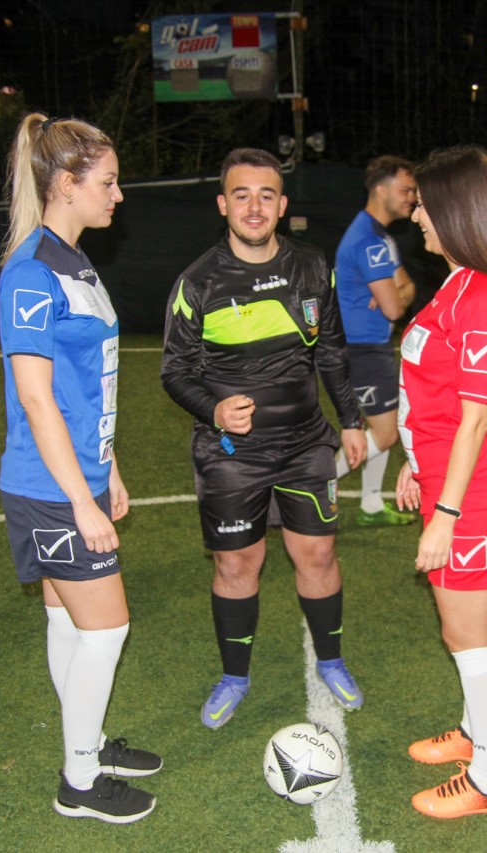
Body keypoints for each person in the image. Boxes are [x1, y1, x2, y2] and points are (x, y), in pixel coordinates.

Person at [160, 148, 368, 730]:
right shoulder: (197, 282)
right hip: (232, 455)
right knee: (236, 565)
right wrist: (216, 409)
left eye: (267, 195)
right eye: (243, 195)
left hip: (305, 444)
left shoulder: (311, 266)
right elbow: (174, 372)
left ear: (282, 206)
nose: (255, 206)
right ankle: (234, 676)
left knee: (318, 553)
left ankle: (332, 660)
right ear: (223, 204)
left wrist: (350, 420)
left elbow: (329, 349)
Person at [0, 113, 160, 824]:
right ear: (66, 184)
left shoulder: (76, 261)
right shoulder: (31, 273)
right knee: (107, 628)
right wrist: (81, 501)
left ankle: (85, 741)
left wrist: (110, 468)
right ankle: (80, 781)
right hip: (48, 485)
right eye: (108, 181)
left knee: (69, 619)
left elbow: (85, 382)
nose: (117, 195)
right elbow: (36, 399)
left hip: (78, 473)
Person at [394, 146, 487, 819]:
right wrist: (412, 465)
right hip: (451, 482)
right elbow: (439, 400)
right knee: (458, 629)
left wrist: (446, 513)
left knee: (469, 633)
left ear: (456, 209)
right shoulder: (457, 286)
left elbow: (477, 420)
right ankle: (475, 733)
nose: (415, 212)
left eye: (423, 202)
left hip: (475, 493)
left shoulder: (482, 296)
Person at [333, 155, 419, 526]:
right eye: (406, 190)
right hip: (362, 350)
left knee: (384, 428)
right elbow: (395, 308)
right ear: (380, 190)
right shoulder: (368, 240)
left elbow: (407, 289)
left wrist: (396, 293)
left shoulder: (380, 236)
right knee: (386, 434)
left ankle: (370, 503)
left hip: (373, 347)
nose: (412, 198)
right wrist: (395, 296)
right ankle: (317, 482)